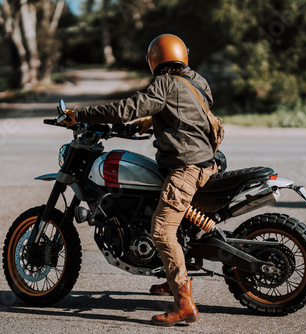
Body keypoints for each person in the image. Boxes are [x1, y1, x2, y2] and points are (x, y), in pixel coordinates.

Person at [60, 33, 217, 326]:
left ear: (154, 60)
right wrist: (151, 120)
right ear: (183, 55)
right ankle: (172, 279)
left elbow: (124, 110)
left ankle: (184, 304)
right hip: (204, 162)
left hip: (186, 168)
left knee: (161, 231)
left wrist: (79, 114)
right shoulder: (197, 81)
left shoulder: (165, 83)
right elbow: (186, 110)